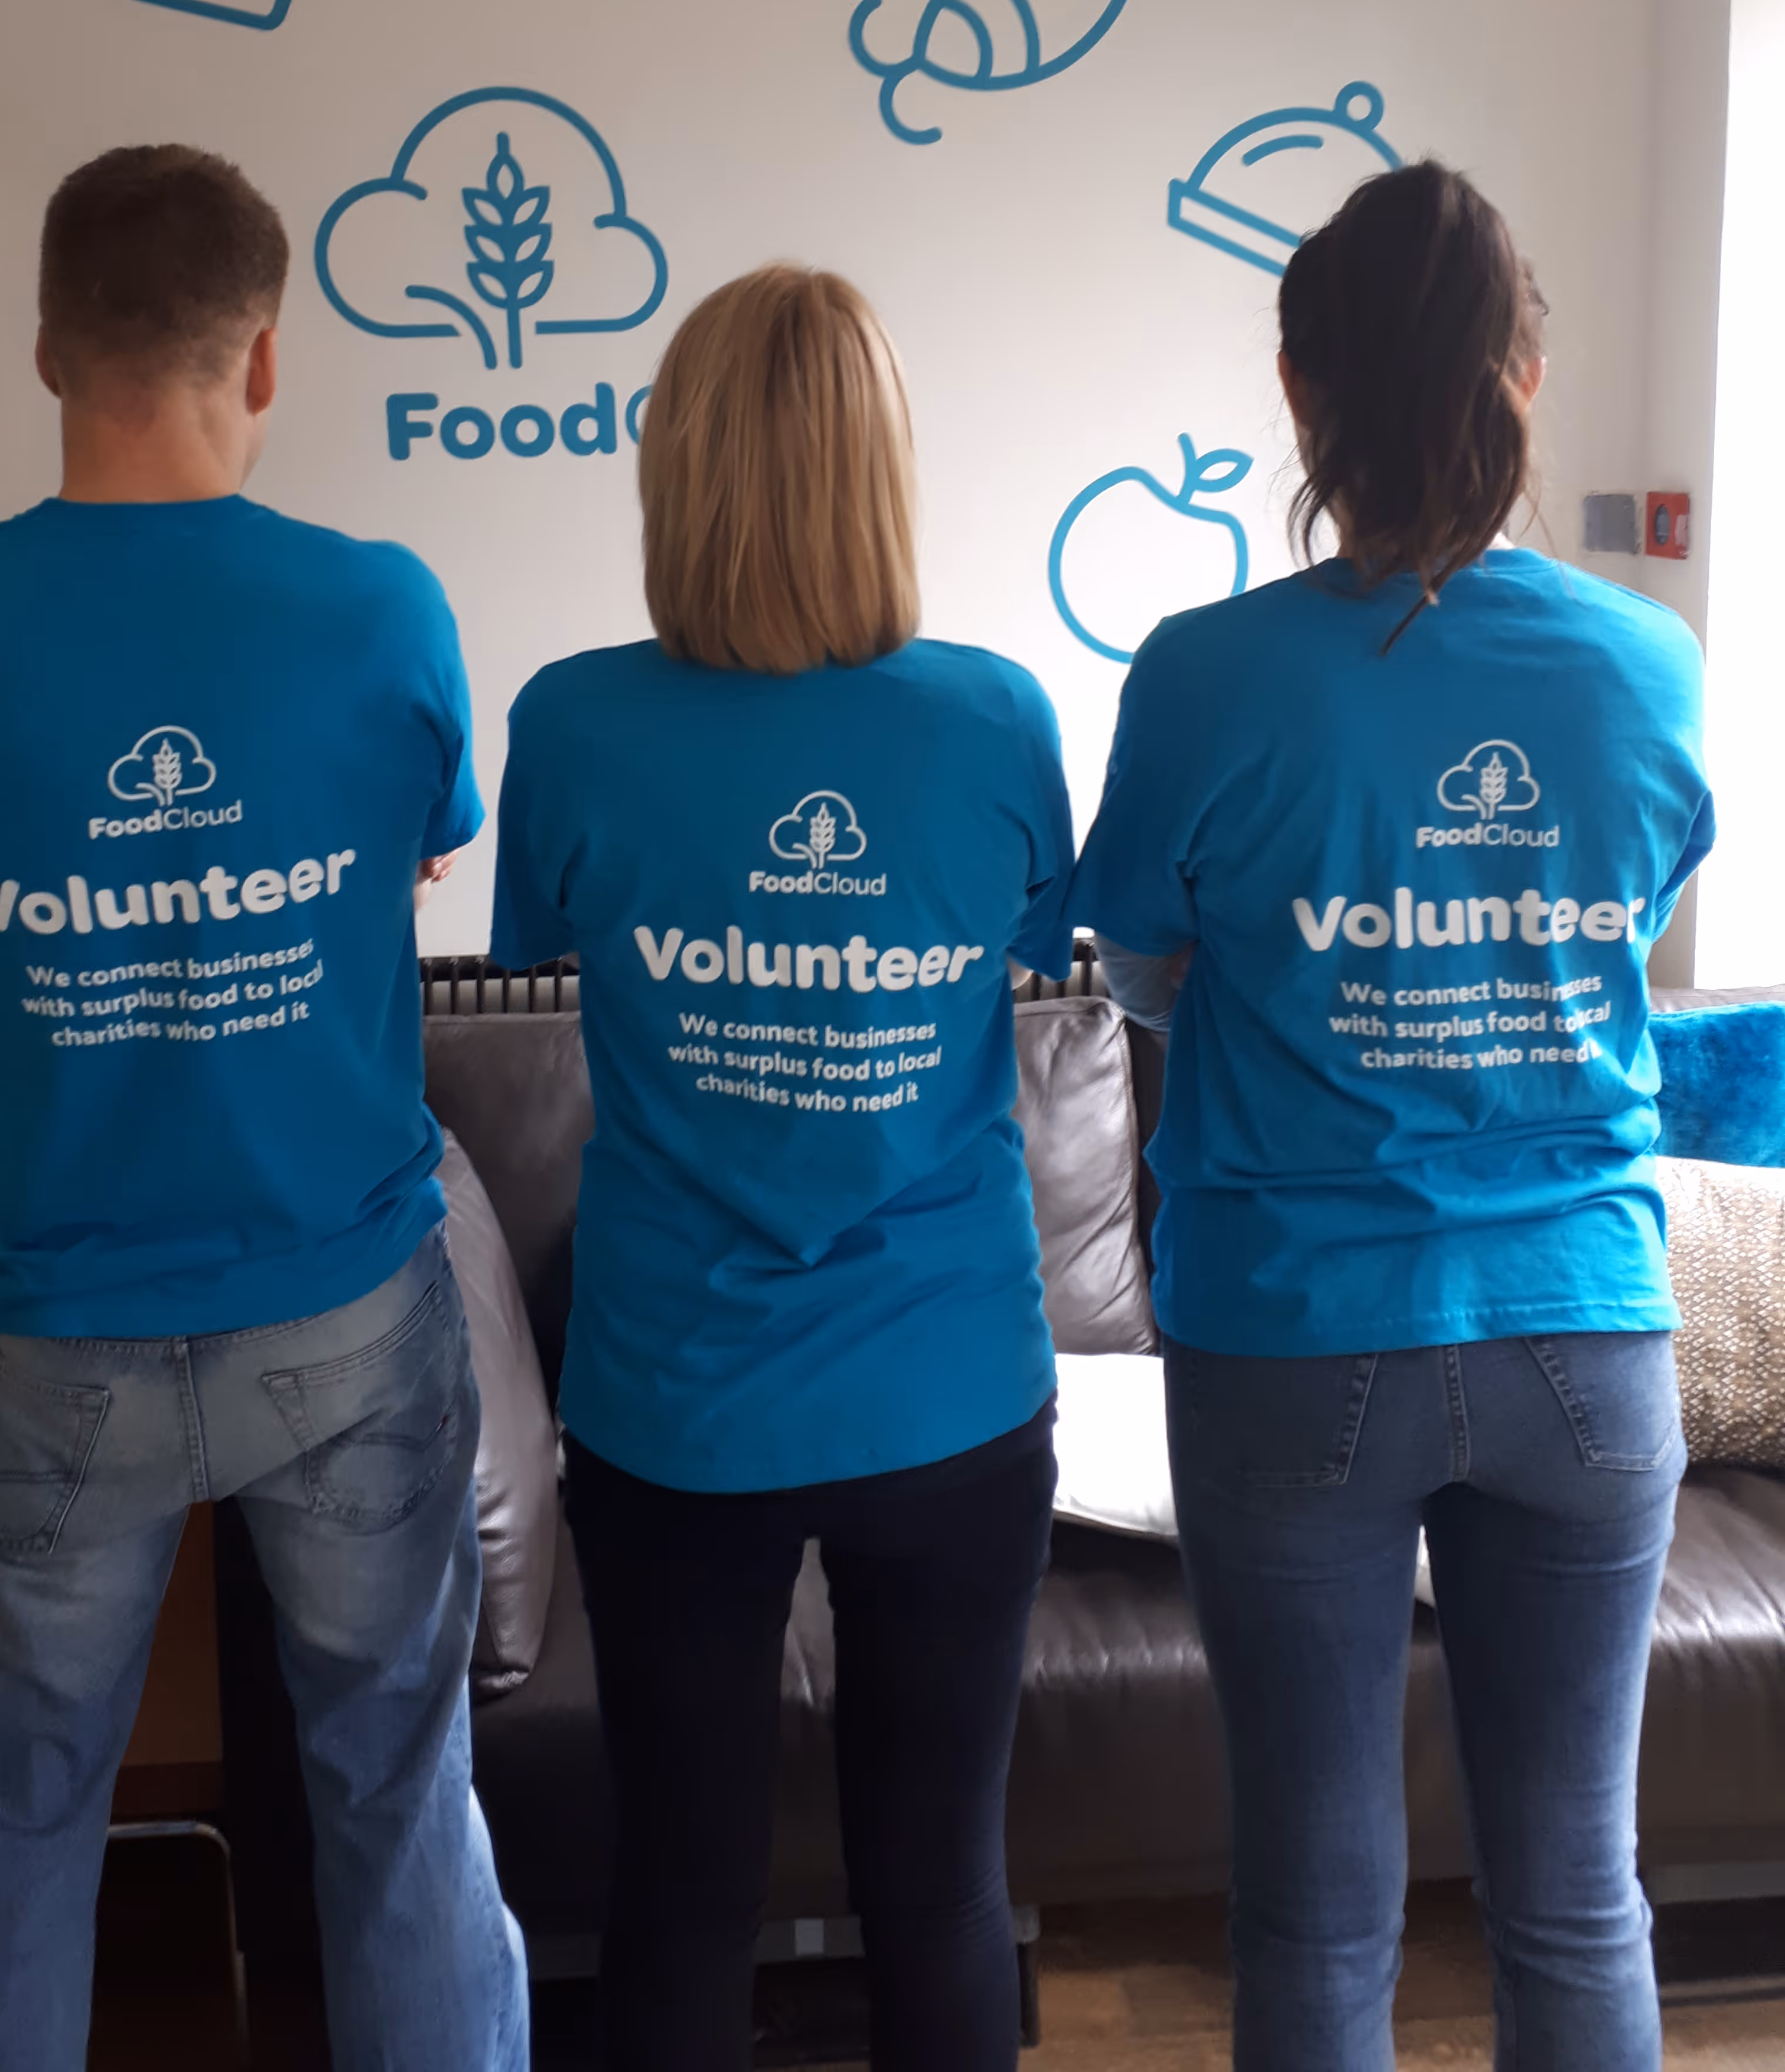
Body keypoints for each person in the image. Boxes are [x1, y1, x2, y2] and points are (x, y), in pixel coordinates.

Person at [0, 145, 526, 2072]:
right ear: (268, 356)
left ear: (49, 348)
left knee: (20, 1839)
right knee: (399, 1802)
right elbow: (424, 842)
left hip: (59, 1333)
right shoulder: (383, 612)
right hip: (346, 1312)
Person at [1071, 161, 1713, 2072]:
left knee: (1315, 1910)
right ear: (1527, 374)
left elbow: (1142, 965)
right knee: (1577, 1896)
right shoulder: (1651, 667)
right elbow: (1615, 936)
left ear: (1301, 387)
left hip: (1295, 1334)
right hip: (1587, 1333)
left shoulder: (1207, 677)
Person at [489, 266, 1075, 2072]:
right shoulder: (996, 720)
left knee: (681, 1894)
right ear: (883, 473)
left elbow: (549, 938)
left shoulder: (575, 723)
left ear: (676, 476)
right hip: (951, 1392)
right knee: (943, 1890)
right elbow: (1025, 955)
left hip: (680, 1403)